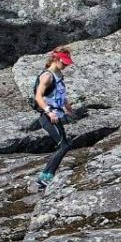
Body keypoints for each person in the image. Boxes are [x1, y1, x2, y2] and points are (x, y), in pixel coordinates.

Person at [33, 47, 76, 190]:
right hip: (48, 117)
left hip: (57, 116)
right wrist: (49, 111)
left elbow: (59, 93)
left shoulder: (58, 75)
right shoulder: (47, 76)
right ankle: (47, 176)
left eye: (67, 63)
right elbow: (38, 96)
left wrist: (67, 106)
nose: (66, 66)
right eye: (64, 63)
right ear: (56, 60)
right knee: (64, 145)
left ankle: (44, 177)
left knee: (64, 144)